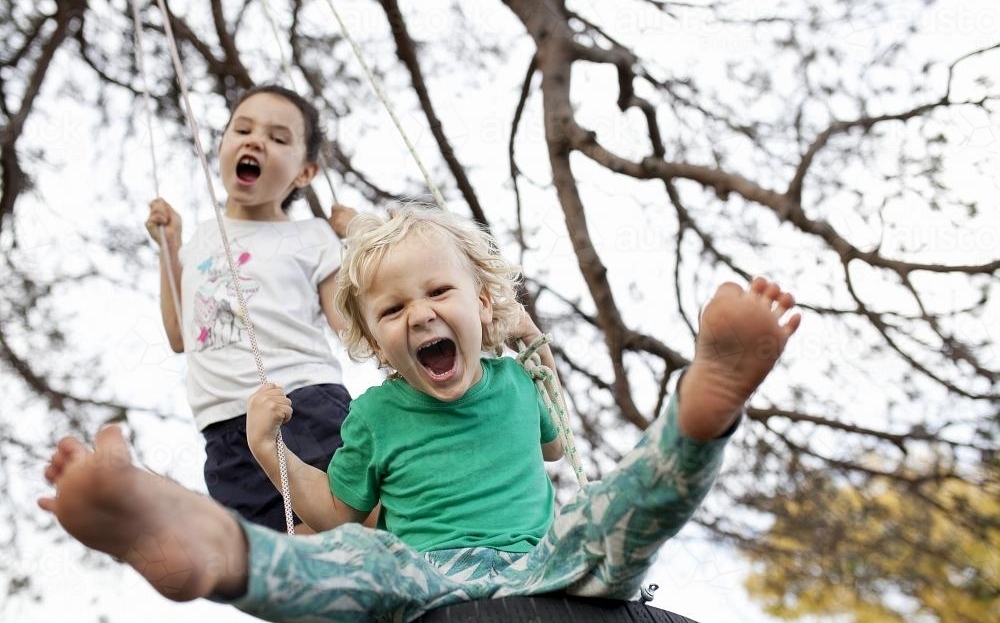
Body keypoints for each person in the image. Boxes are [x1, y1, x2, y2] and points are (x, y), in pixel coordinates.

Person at [40, 204, 802, 622]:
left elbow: (559, 444)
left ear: (485, 303)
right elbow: (335, 510)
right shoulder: (373, 414)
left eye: (439, 293)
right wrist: (272, 446)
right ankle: (212, 549)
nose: (420, 315)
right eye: (393, 308)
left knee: (614, 517)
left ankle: (699, 416)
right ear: (372, 338)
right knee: (347, 561)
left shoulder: (513, 380)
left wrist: (533, 348)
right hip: (421, 572)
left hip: (545, 559)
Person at [144, 84, 357, 532]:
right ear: (222, 145)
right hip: (225, 428)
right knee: (278, 556)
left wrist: (361, 240)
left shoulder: (314, 236)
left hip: (302, 404)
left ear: (305, 172)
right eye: (242, 129)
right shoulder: (201, 237)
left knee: (344, 526)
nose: (255, 140)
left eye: (279, 139)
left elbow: (352, 329)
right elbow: (181, 335)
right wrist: (171, 247)